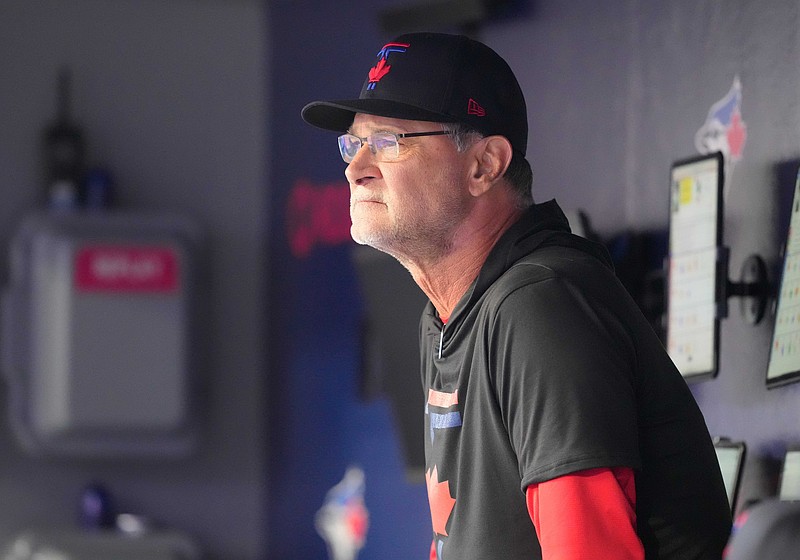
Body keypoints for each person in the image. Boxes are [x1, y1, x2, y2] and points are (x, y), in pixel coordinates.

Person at [302, 32, 732, 560]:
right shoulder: (447, 319)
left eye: (389, 140)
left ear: (484, 165)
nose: (355, 167)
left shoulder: (539, 303)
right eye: (353, 143)